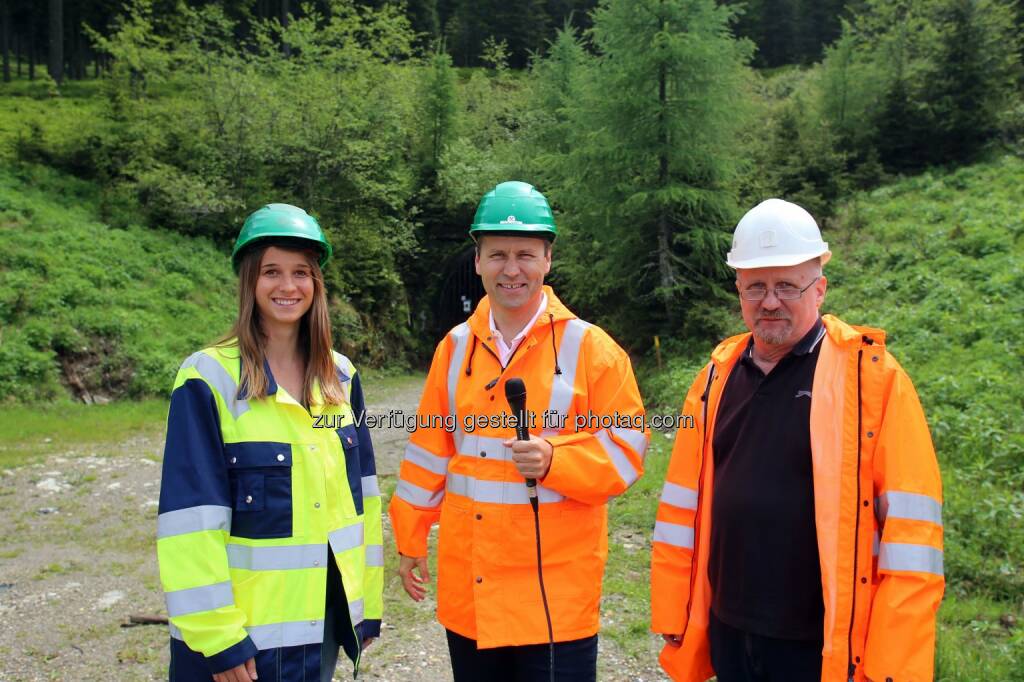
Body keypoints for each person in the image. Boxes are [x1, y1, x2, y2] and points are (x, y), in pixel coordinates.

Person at [650, 199, 944, 682]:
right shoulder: (713, 379)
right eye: (756, 287)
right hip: (728, 628)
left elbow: (913, 540)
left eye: (787, 285)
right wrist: (675, 613)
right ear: (739, 291)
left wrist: (893, 664)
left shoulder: (872, 382)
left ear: (820, 289)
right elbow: (683, 509)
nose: (770, 301)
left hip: (821, 643)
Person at [388, 181, 648, 681]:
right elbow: (428, 452)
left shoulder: (592, 350)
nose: (512, 270)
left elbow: (627, 448)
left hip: (554, 598)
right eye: (498, 255)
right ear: (479, 260)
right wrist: (411, 535)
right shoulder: (454, 349)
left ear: (547, 259)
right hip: (474, 590)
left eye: (525, 255)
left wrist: (556, 459)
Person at [155, 204, 383, 682]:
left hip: (314, 632)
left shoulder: (340, 379)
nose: (288, 286)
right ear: (249, 283)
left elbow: (360, 502)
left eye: (301, 272)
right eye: (271, 272)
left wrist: (363, 608)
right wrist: (219, 637)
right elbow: (190, 522)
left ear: (316, 284)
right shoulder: (208, 378)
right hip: (241, 644)